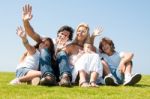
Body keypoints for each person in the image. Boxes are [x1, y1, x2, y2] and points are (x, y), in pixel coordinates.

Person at [22, 4, 74, 86]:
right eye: (61, 33)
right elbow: (32, 34)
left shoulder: (69, 45)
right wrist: (25, 22)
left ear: (69, 38)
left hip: (59, 71)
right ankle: (48, 76)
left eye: (66, 35)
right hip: (46, 70)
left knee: (62, 54)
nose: (62, 36)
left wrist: (60, 50)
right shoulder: (49, 40)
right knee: (44, 50)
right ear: (58, 34)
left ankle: (65, 78)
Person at [65, 23, 103, 87]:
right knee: (83, 55)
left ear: (87, 34)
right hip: (75, 73)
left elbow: (94, 58)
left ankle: (92, 81)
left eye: (83, 32)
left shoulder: (88, 47)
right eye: (79, 31)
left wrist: (93, 37)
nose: (80, 33)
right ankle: (82, 81)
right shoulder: (70, 46)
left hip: (88, 73)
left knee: (95, 55)